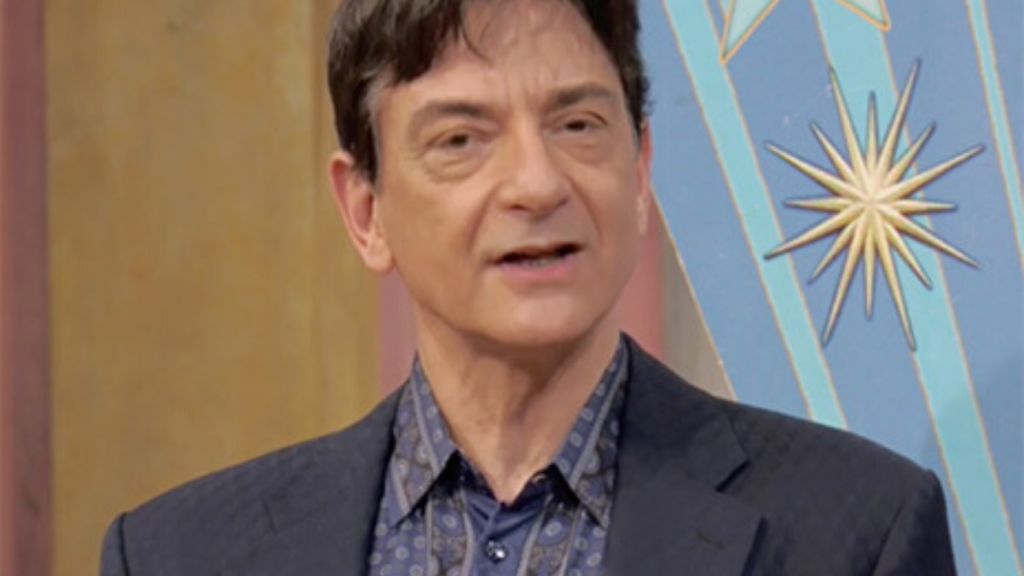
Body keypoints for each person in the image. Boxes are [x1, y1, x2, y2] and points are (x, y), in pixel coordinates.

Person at [99, 0, 958, 574]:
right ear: (365, 211)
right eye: (461, 140)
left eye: (577, 124)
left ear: (639, 172)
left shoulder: (855, 533)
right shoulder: (182, 555)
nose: (537, 184)